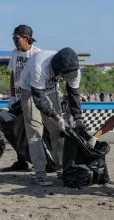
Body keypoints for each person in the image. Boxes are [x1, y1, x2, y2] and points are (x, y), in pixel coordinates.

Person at [19, 47, 85, 186]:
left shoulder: (74, 69)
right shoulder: (39, 68)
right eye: (65, 75)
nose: (67, 78)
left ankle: (61, 170)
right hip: (30, 91)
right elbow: (39, 100)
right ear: (58, 69)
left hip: (51, 90)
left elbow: (74, 94)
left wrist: (78, 118)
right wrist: (59, 118)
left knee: (59, 132)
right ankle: (40, 174)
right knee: (35, 132)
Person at [3, 24, 41, 172]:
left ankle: (39, 162)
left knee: (32, 131)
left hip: (31, 97)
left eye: (17, 38)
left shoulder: (37, 54)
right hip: (18, 98)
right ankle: (21, 161)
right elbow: (13, 74)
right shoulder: (14, 53)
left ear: (26, 38)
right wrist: (12, 95)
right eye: (13, 38)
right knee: (16, 130)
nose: (14, 41)